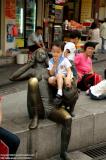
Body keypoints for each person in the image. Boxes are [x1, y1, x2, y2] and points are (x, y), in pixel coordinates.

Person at [48, 41, 74, 106]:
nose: (55, 54)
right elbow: (51, 73)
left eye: (58, 52)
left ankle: (59, 93)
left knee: (59, 75)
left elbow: (69, 71)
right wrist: (55, 64)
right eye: (54, 52)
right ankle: (58, 89)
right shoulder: (50, 61)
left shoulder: (64, 60)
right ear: (51, 51)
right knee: (50, 80)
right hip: (56, 78)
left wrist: (68, 78)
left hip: (64, 77)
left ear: (62, 52)